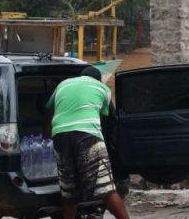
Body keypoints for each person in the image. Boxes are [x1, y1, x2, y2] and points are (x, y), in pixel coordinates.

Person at [46, 66, 129, 219]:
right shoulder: (103, 88)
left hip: (60, 137)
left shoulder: (62, 85)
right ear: (98, 79)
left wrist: (50, 134)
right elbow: (102, 117)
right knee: (106, 189)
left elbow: (50, 110)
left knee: (69, 192)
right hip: (87, 136)